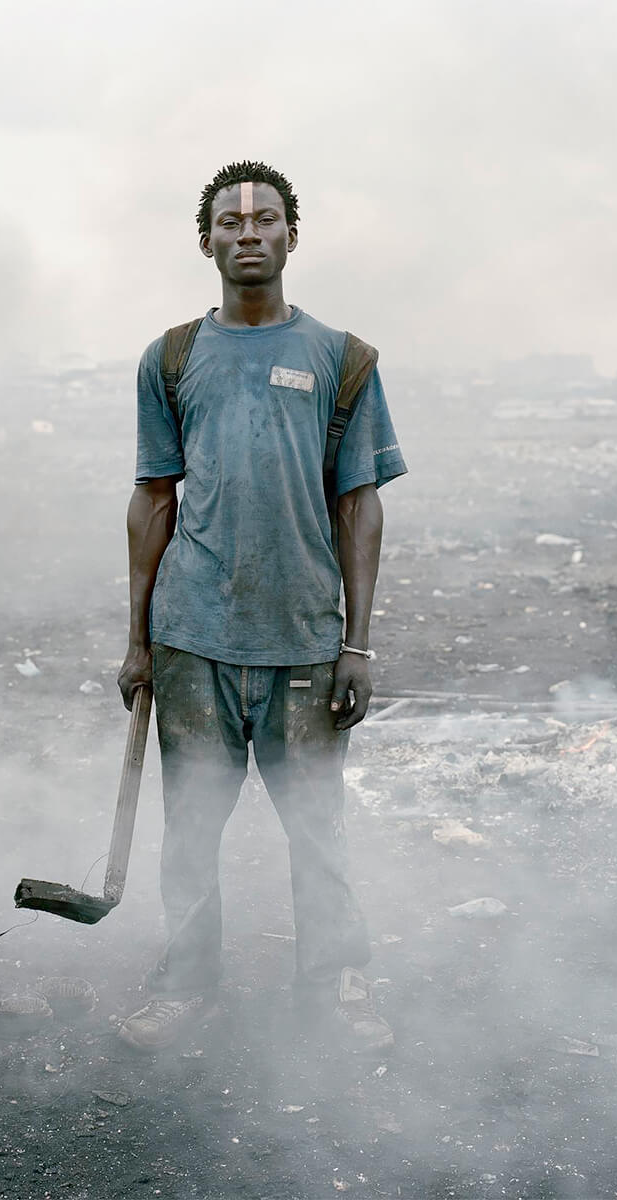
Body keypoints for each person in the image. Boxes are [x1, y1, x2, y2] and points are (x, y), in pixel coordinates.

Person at [115, 161, 407, 1054]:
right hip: (193, 638)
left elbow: (360, 504)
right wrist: (137, 642)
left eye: (265, 218)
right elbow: (152, 499)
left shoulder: (342, 360)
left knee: (316, 830)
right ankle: (189, 987)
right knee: (191, 829)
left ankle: (339, 985)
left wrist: (358, 643)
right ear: (206, 240)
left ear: (292, 235)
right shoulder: (170, 358)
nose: (248, 231)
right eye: (230, 220)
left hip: (305, 642)